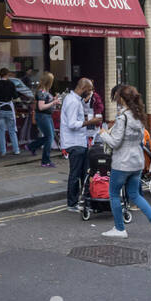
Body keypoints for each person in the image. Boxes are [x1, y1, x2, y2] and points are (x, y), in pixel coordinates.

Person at [99, 84, 151, 243]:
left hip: (122, 162)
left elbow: (115, 142)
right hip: (137, 161)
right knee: (135, 194)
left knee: (114, 194)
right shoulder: (139, 116)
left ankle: (119, 229)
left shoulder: (123, 117)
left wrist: (103, 134)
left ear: (122, 98)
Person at [61, 79, 93, 211]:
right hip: (74, 143)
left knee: (84, 173)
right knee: (75, 174)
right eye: (89, 90)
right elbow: (72, 124)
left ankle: (83, 201)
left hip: (80, 142)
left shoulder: (76, 100)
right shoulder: (73, 102)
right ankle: (72, 203)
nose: (90, 92)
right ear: (83, 88)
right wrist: (90, 122)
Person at [0, 68, 30, 156]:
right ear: (7, 75)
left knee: (1, 131)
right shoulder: (11, 84)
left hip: (0, 109)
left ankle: (3, 151)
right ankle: (16, 150)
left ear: (0, 74)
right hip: (9, 109)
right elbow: (15, 96)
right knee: (12, 130)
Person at [30, 71, 60, 167]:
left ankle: (32, 146)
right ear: (49, 82)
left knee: (49, 137)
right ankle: (45, 160)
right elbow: (41, 107)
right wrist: (54, 102)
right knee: (50, 138)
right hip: (43, 116)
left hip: (46, 116)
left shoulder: (44, 91)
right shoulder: (42, 92)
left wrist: (53, 99)